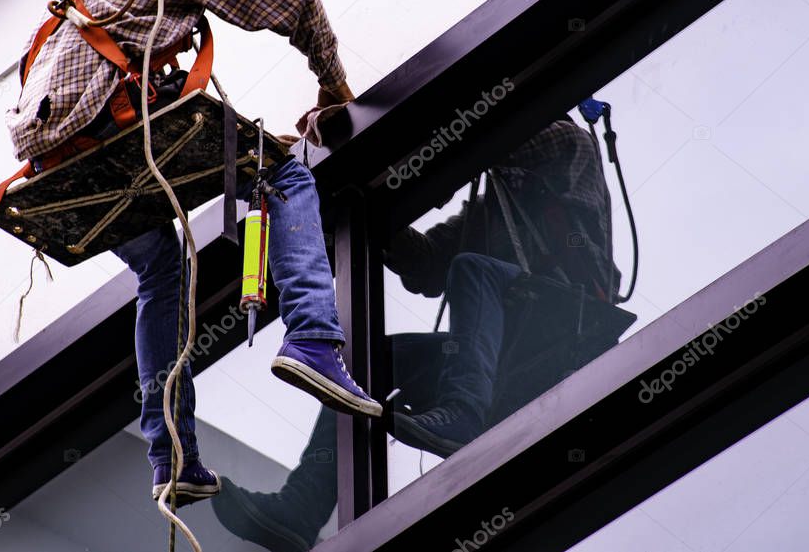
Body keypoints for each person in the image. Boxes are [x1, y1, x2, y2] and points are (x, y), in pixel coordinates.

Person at [5, 0, 382, 506]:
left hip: (60, 168)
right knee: (286, 176)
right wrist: (334, 87)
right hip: (114, 135)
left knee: (162, 271)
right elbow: (298, 0)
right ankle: (312, 337)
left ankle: (170, 458)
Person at [212, 116, 621, 551]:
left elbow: (484, 141)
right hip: (503, 351)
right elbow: (426, 265)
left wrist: (360, 152)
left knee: (472, 270)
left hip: (568, 323)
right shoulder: (489, 210)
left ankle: (462, 413)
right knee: (364, 364)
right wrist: (358, 210)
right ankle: (300, 509)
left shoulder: (566, 139)